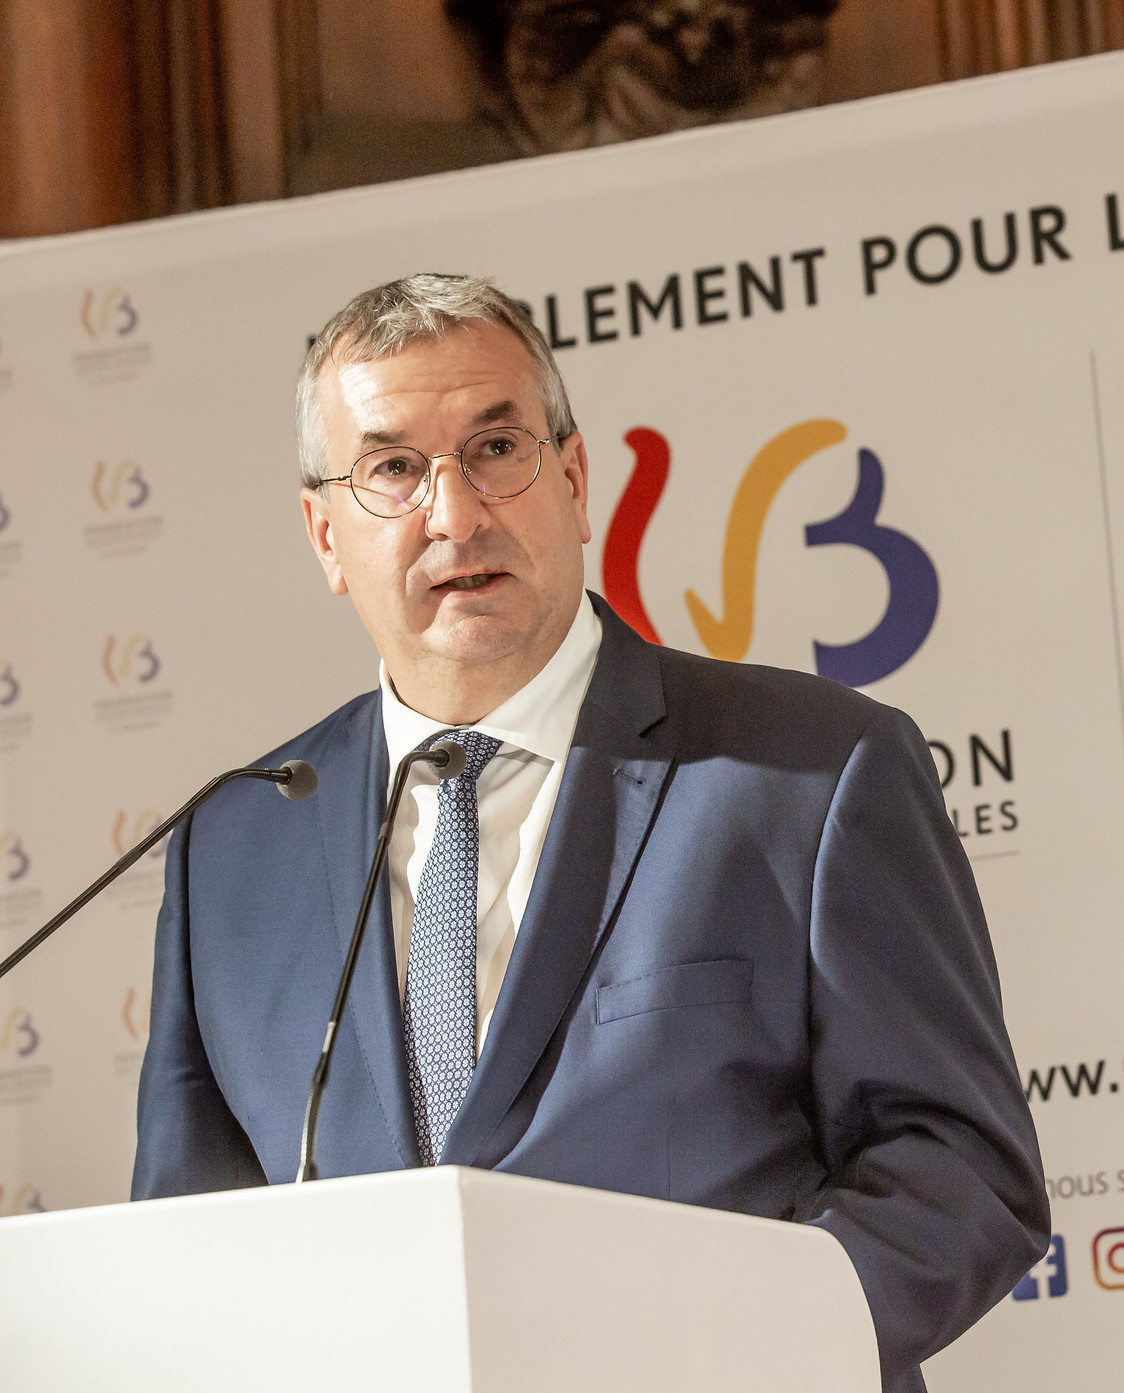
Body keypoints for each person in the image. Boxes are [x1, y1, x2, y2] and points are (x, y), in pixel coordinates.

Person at [133, 273, 1047, 1391]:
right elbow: (183, 1253)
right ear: (325, 534)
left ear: (571, 480)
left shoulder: (810, 772)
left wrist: (720, 1354)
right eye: (391, 470)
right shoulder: (236, 844)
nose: (456, 513)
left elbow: (958, 1169)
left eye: (497, 448)